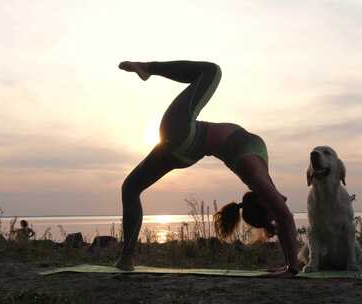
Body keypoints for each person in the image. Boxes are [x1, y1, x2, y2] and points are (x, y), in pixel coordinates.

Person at [115, 60, 299, 277]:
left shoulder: (252, 170)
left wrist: (292, 267)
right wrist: (274, 229)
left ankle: (148, 68)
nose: (282, 202)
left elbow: (285, 216)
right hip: (186, 152)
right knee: (130, 188)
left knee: (212, 71)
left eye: (271, 210)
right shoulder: (263, 175)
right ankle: (126, 258)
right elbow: (280, 211)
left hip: (183, 133)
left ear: (262, 200)